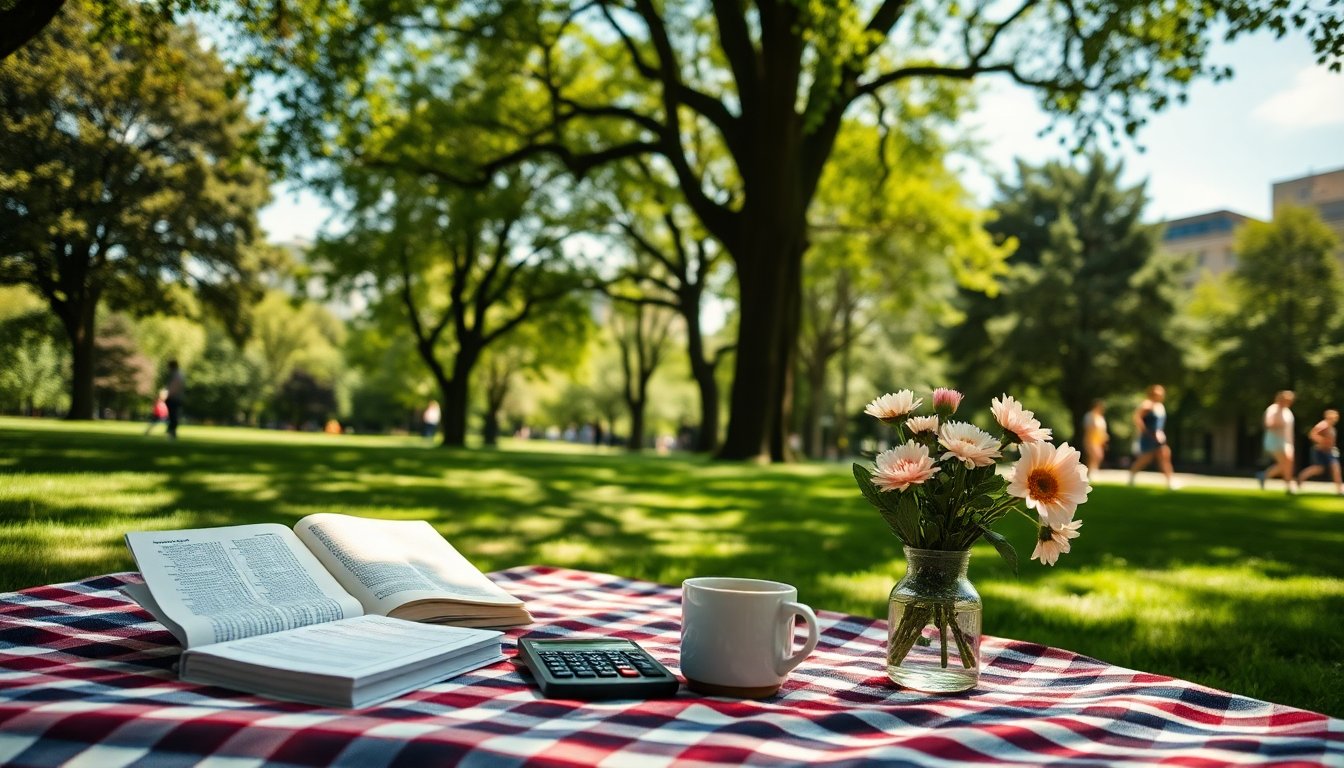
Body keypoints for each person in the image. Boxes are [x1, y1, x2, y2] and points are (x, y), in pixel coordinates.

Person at [1128, 384, 1177, 489]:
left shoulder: (1160, 406)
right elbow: (1137, 418)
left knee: (1165, 457)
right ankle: (1131, 477)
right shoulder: (1147, 405)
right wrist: (1146, 432)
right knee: (1145, 459)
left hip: (1159, 437)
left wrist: (1160, 433)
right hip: (1149, 437)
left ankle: (1170, 482)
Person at [1256, 390, 1297, 494]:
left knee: (1287, 463)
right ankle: (1288, 485)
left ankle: (1264, 476)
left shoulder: (1287, 411)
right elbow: (1268, 424)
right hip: (1275, 441)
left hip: (1287, 442)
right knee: (1285, 462)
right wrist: (1278, 424)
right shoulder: (1272, 409)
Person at [1296, 409, 1342, 495]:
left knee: (1335, 468)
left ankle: (1339, 490)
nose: (1334, 419)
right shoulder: (1323, 425)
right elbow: (1312, 434)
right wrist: (1322, 441)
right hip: (1320, 451)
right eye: (1332, 417)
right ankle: (1301, 477)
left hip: (1329, 452)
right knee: (1318, 469)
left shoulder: (1331, 427)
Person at [1082, 399, 1109, 476]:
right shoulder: (1089, 416)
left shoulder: (1100, 418)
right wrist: (1087, 441)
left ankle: (1091, 472)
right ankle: (1090, 472)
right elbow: (1088, 429)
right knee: (1095, 456)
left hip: (1098, 441)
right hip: (1090, 440)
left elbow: (1103, 430)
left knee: (1096, 457)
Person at [164, 360, 185, 440]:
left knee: (173, 416)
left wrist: (167, 395)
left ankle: (171, 432)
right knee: (173, 416)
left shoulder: (177, 375)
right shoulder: (178, 374)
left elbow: (174, 388)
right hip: (176, 398)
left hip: (174, 398)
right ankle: (171, 432)